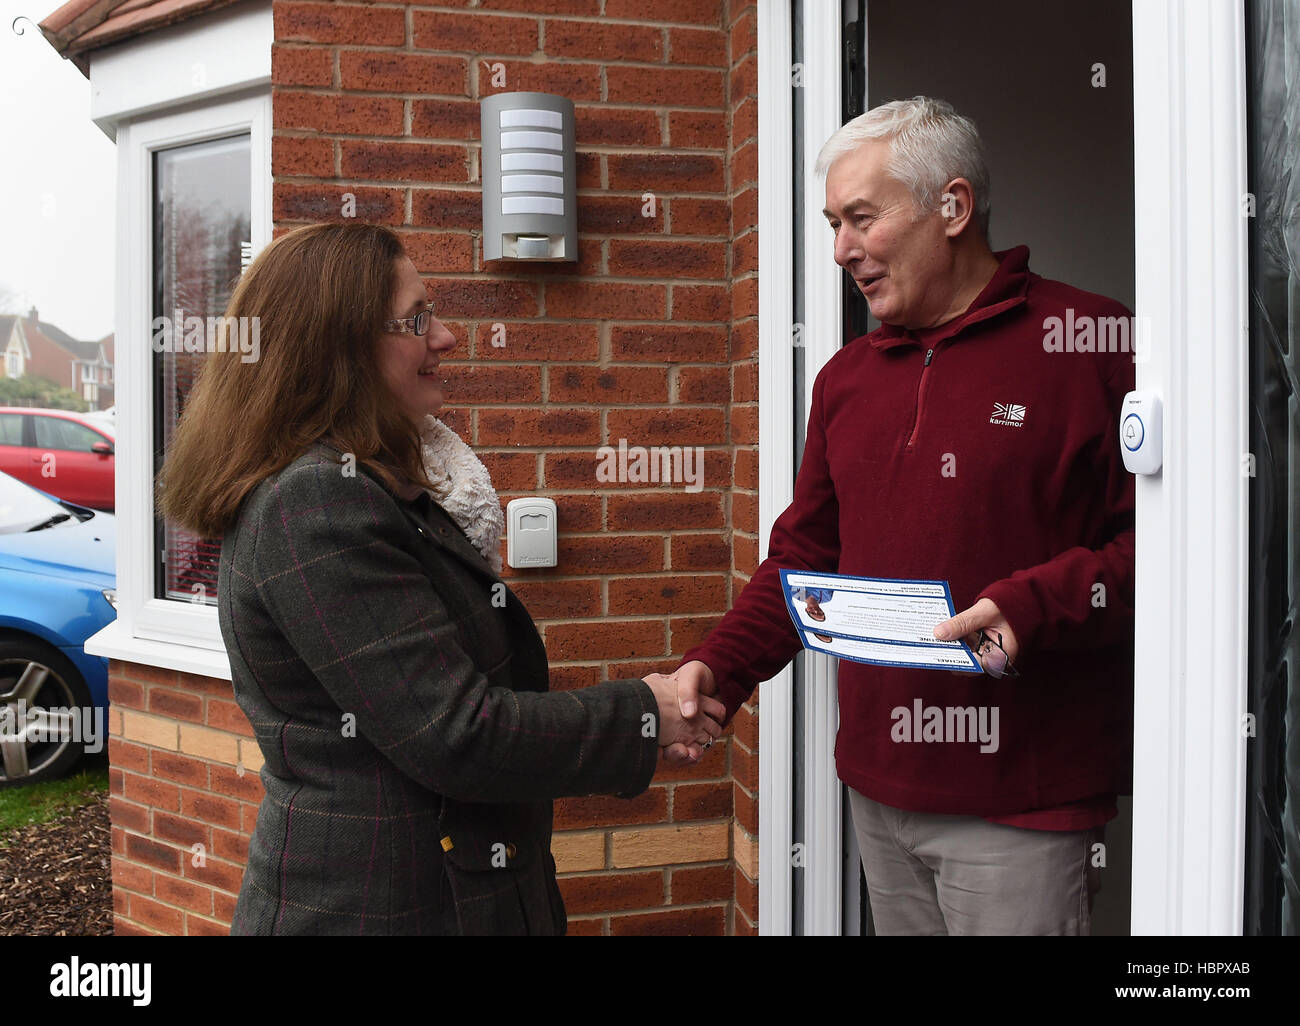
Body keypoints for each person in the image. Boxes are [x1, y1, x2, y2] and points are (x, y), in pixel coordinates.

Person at [157, 222, 724, 935]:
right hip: (385, 905)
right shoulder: (314, 501)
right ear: (340, 345)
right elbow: (456, 734)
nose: (447, 337)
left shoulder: (370, 483)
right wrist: (645, 712)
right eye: (417, 318)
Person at [670, 97, 1136, 935]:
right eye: (832, 223)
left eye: (861, 218)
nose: (842, 249)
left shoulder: (1093, 342)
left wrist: (1031, 606)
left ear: (951, 207)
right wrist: (719, 671)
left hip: (1021, 801)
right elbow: (803, 561)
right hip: (878, 794)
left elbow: (1167, 555)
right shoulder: (846, 379)